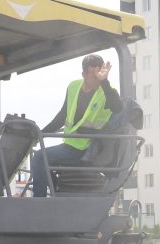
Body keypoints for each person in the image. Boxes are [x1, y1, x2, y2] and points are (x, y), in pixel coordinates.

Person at [31, 54, 123, 197]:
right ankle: (56, 193)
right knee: (42, 159)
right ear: (84, 74)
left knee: (39, 158)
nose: (97, 79)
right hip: (71, 145)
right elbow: (62, 116)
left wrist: (104, 82)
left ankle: (39, 202)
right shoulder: (73, 86)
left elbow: (117, 107)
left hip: (89, 147)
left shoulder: (106, 91)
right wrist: (41, 133)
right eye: (94, 75)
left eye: (100, 74)